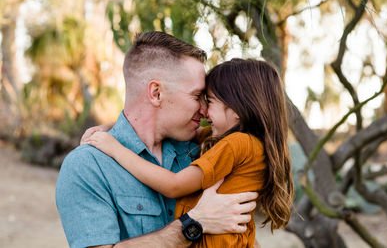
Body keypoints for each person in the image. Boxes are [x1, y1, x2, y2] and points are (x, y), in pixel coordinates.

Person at [55, 32, 259, 248]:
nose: (204, 109)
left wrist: (109, 126)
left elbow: (244, 236)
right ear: (156, 93)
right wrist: (194, 224)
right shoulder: (88, 166)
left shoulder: (205, 151)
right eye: (196, 96)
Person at [83, 58, 294, 247]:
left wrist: (115, 149)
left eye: (209, 101)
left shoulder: (237, 144)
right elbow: (190, 126)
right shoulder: (251, 144)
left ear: (237, 111)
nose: (204, 110)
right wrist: (115, 127)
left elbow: (173, 185)